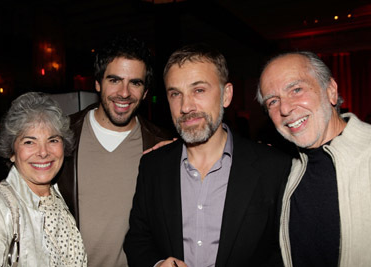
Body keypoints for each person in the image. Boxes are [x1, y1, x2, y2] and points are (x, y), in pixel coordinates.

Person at [0, 35, 173, 267]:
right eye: (114, 80)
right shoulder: (65, 135)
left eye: (135, 82)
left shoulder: (163, 145)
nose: (124, 93)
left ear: (146, 91)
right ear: (97, 83)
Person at [123, 43, 292, 267]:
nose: (185, 106)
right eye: (175, 94)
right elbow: (138, 239)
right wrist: (157, 263)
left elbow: (282, 251)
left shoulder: (274, 168)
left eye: (199, 90)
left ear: (226, 95)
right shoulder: (153, 166)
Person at [257, 51, 371, 267]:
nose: (285, 108)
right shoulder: (285, 169)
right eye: (273, 101)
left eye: (296, 90)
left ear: (331, 90)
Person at [0, 92, 87, 266]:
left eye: (53, 140)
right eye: (29, 142)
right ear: (11, 152)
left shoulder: (58, 200)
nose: (43, 152)